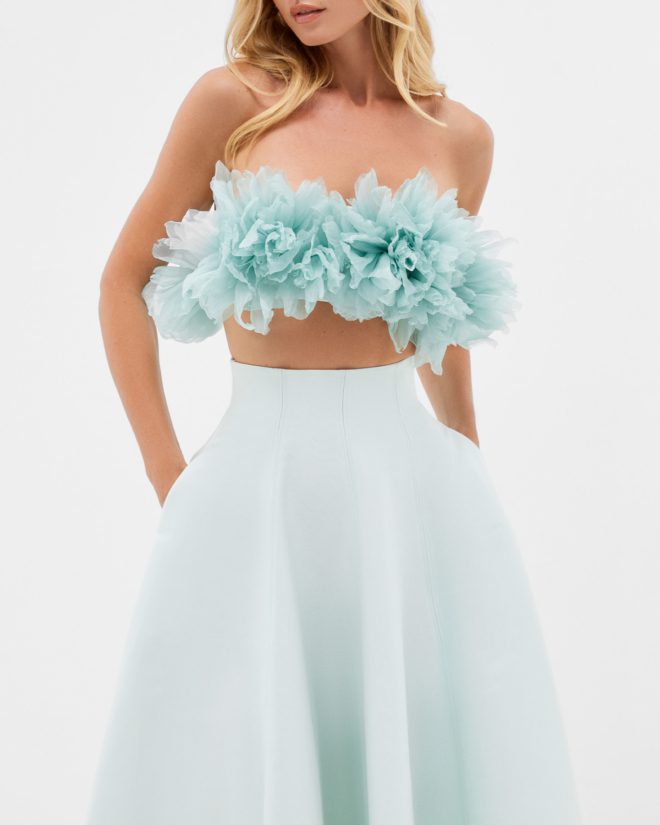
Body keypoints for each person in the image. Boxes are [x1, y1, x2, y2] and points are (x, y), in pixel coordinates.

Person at [86, 1, 582, 823]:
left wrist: (468, 455)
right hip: (256, 484)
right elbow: (121, 282)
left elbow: (437, 319)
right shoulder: (231, 103)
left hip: (413, 489)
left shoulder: (462, 137)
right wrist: (167, 472)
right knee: (238, 737)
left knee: (418, 737)